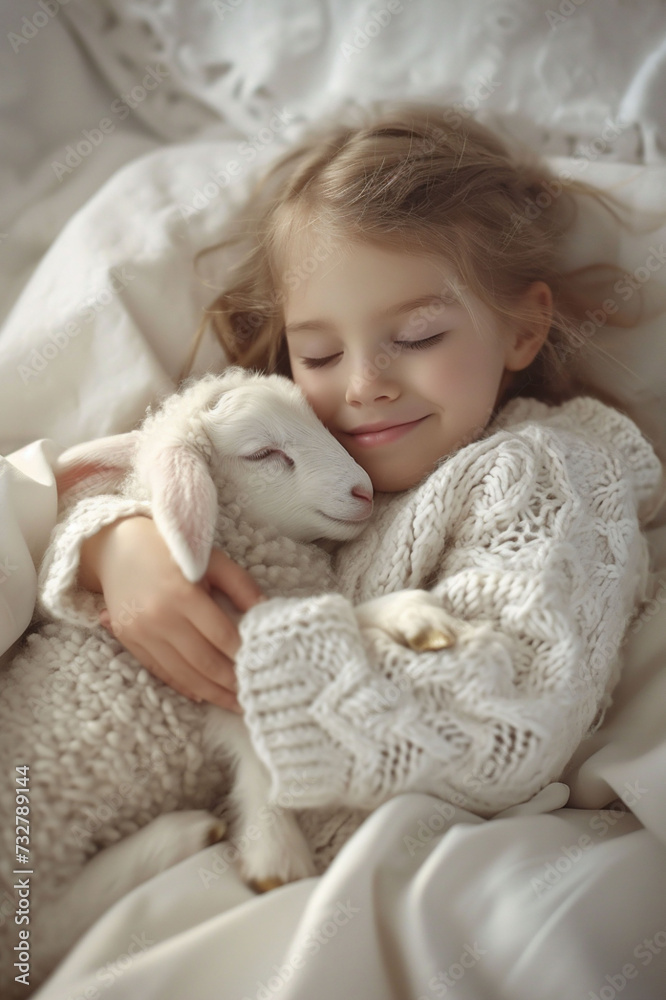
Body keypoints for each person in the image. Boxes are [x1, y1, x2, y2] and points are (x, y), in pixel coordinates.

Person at [37, 102, 664, 835]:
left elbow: (508, 722)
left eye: (418, 335)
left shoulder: (546, 471)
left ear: (523, 327)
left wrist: (241, 663)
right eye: (322, 356)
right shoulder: (295, 447)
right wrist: (117, 546)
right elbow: (122, 484)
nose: (364, 385)